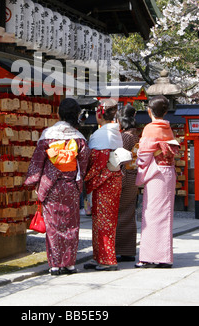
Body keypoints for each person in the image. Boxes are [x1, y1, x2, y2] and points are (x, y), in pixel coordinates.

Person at [24, 98, 90, 275]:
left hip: (51, 186)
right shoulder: (79, 138)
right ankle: (69, 264)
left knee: (53, 225)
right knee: (71, 223)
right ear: (76, 115)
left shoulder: (48, 135)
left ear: (58, 114)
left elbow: (38, 160)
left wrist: (32, 180)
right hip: (71, 185)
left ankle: (55, 264)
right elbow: (83, 164)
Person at [135, 95, 180, 268]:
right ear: (166, 112)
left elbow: (144, 155)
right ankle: (164, 257)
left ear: (149, 111)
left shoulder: (150, 128)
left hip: (156, 173)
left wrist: (138, 163)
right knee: (165, 214)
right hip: (168, 172)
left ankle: (148, 257)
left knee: (152, 214)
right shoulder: (168, 128)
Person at [83, 99, 123, 271]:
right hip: (114, 180)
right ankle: (99, 256)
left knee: (103, 221)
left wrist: (86, 179)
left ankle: (107, 259)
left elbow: (96, 162)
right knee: (105, 221)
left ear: (100, 114)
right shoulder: (116, 133)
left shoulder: (99, 135)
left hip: (102, 182)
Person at [115, 104, 140, 262]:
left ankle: (121, 249)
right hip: (133, 176)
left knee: (120, 213)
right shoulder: (135, 134)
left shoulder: (125, 137)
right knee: (129, 213)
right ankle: (128, 249)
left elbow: (118, 157)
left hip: (125, 175)